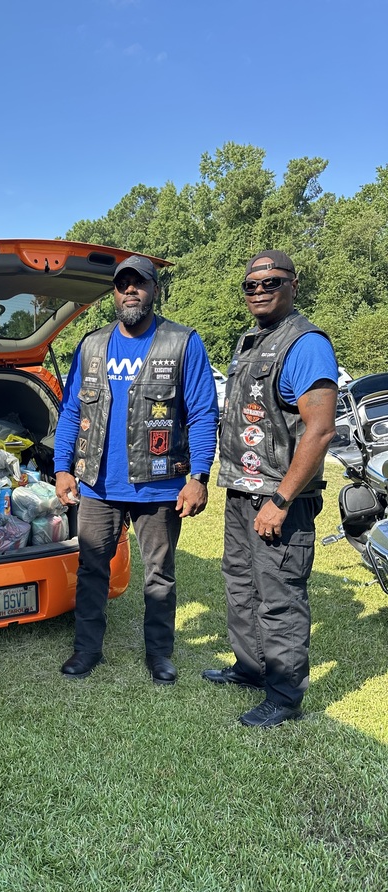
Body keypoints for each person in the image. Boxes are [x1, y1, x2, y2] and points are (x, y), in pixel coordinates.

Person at [54, 255, 219, 683]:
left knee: (160, 576)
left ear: (154, 289)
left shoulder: (183, 342)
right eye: (122, 284)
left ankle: (159, 654)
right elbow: (71, 411)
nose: (130, 291)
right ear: (114, 293)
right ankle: (87, 650)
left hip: (160, 485)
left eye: (139, 283)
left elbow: (202, 413)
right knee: (92, 572)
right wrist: (63, 468)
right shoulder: (91, 344)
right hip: (96, 485)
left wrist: (199, 476)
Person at [202, 250, 338, 728]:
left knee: (279, 596)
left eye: (271, 281)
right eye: (251, 284)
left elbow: (320, 431)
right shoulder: (252, 340)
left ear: (293, 285)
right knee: (241, 585)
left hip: (280, 499)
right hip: (241, 492)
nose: (259, 290)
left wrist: (280, 500)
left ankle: (283, 696)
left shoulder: (306, 343)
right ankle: (251, 668)